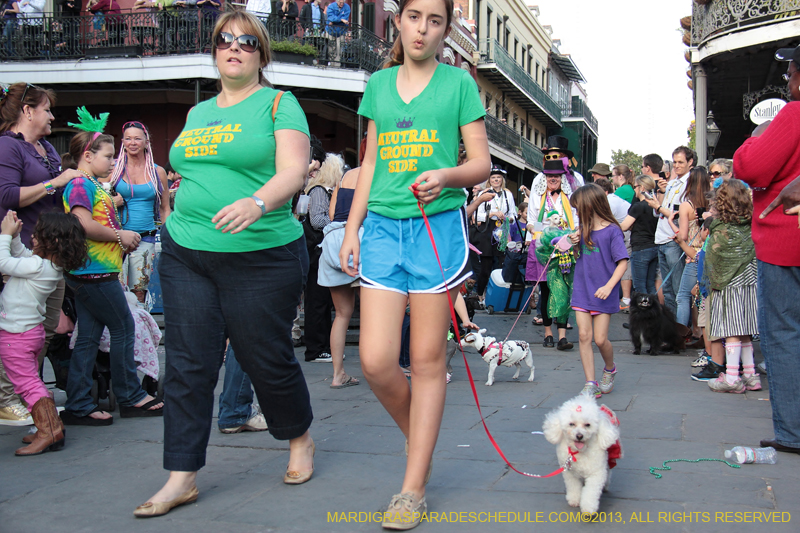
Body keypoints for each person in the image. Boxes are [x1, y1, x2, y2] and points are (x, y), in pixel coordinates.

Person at [135, 10, 315, 518]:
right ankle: (181, 475)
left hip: (261, 255)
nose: (233, 47)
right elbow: (188, 173)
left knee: (265, 357)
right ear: (214, 52)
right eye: (224, 41)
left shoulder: (280, 104)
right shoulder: (197, 113)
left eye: (246, 42)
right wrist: (173, 218)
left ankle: (298, 437)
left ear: (261, 54)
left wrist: (256, 202)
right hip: (188, 253)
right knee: (188, 364)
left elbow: (294, 171)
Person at [338, 0, 491, 526]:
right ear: (397, 20)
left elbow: (481, 163)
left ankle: (412, 486)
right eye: (414, 17)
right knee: (378, 361)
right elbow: (371, 160)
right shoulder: (378, 87)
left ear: (446, 29)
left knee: (427, 361)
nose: (423, 29)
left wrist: (447, 176)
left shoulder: (459, 85)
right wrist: (351, 228)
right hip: (380, 227)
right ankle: (420, 443)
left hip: (437, 229)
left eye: (435, 20)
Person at [60, 119, 163, 426]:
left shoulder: (90, 184)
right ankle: (130, 395)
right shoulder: (80, 184)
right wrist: (120, 237)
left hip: (94, 272)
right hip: (94, 273)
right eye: (107, 156)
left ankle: (79, 402)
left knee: (89, 338)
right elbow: (81, 223)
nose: (113, 161)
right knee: (123, 329)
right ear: (88, 156)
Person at [0, 82, 83, 426]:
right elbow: (7, 196)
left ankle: (30, 395)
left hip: (50, 254)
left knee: (43, 331)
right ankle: (6, 400)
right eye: (47, 109)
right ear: (27, 111)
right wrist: (56, 182)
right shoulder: (8, 147)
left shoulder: (47, 147)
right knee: (16, 330)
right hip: (22, 250)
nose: (51, 116)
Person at [733, 44, 800, 454]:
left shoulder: (793, 114)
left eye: (792, 70)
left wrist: (747, 145)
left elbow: (752, 167)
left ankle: (792, 430)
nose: (788, 79)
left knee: (784, 334)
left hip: (784, 241)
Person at [0, 211, 86, 455]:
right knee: (32, 380)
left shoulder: (38, 266)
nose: (34, 238)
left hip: (16, 335)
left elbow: (4, 262)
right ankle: (51, 426)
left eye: (39, 235)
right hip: (29, 333)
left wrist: (5, 235)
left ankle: (48, 431)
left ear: (54, 241)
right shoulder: (47, 266)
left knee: (26, 383)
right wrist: (16, 237)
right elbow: (20, 255)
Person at [568, 183, 628, 398]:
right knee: (584, 335)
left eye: (578, 208)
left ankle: (610, 368)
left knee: (600, 339)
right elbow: (578, 257)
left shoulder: (612, 231)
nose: (576, 212)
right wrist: (574, 244)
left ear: (590, 206)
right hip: (583, 288)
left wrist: (609, 286)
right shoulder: (582, 230)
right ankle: (590, 382)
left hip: (604, 289)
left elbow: (622, 263)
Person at [702, 179, 759, 394]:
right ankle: (751, 375)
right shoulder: (750, 223)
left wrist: (711, 281)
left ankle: (732, 377)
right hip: (749, 282)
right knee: (744, 331)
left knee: (731, 330)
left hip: (727, 284)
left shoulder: (720, 227)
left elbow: (714, 256)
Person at [108, 121, 170, 306]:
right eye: (128, 138)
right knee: (116, 289)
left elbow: (164, 208)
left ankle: (139, 333)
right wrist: (112, 201)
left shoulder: (157, 172)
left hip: (145, 238)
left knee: (139, 292)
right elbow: (96, 200)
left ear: (146, 141)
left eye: (137, 138)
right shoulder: (113, 169)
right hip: (115, 238)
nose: (132, 142)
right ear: (123, 142)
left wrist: (168, 236)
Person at [318, 160, 362, 388]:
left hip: (334, 241)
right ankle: (380, 371)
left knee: (342, 314)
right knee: (375, 314)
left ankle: (338, 374)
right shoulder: (379, 173)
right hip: (362, 239)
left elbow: (333, 213)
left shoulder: (344, 177)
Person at [526, 159, 576, 350]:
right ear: (544, 178)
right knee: (546, 291)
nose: (552, 179)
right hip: (543, 248)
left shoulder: (568, 197)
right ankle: (548, 333)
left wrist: (568, 233)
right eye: (549, 176)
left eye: (556, 176)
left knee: (563, 291)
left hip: (565, 247)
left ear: (562, 178)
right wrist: (541, 230)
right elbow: (531, 221)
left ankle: (562, 336)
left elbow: (576, 220)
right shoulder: (538, 197)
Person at [302, 153, 339, 364]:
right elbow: (317, 220)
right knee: (317, 301)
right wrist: (337, 226)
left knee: (321, 301)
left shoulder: (318, 190)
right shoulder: (319, 191)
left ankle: (321, 347)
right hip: (316, 251)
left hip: (316, 250)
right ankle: (316, 349)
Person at [653, 146, 695, 315]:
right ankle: (672, 328)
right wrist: (661, 192)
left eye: (680, 162)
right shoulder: (671, 183)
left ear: (690, 162)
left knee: (679, 290)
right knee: (668, 289)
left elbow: (679, 215)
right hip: (661, 238)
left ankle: (682, 331)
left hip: (674, 239)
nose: (676, 166)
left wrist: (659, 207)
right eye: (674, 162)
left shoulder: (690, 184)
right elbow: (660, 210)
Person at [673, 166, 710, 329]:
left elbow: (683, 236)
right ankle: (698, 333)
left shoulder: (686, 206)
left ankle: (680, 334)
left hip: (693, 254)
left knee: (682, 296)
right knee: (700, 295)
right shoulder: (712, 204)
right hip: (709, 251)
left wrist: (670, 223)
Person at [473, 164, 515, 304]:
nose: (496, 180)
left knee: (501, 265)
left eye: (498, 178)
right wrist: (492, 213)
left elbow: (513, 215)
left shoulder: (507, 194)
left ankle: (497, 295)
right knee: (486, 266)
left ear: (502, 180)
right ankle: (480, 295)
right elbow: (477, 216)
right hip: (487, 230)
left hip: (502, 230)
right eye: (493, 178)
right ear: (489, 180)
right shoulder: (483, 194)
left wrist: (507, 218)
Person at [593, 177, 632, 311]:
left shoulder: (609, 202)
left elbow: (604, 222)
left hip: (623, 234)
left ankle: (625, 298)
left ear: (603, 192)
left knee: (619, 262)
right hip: (622, 232)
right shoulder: (613, 200)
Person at [621, 175, 659, 295]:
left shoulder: (638, 206)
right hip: (654, 246)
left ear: (642, 187)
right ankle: (654, 312)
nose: (635, 191)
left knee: (640, 286)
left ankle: (642, 313)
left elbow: (624, 226)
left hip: (641, 247)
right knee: (650, 285)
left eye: (635, 187)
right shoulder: (656, 206)